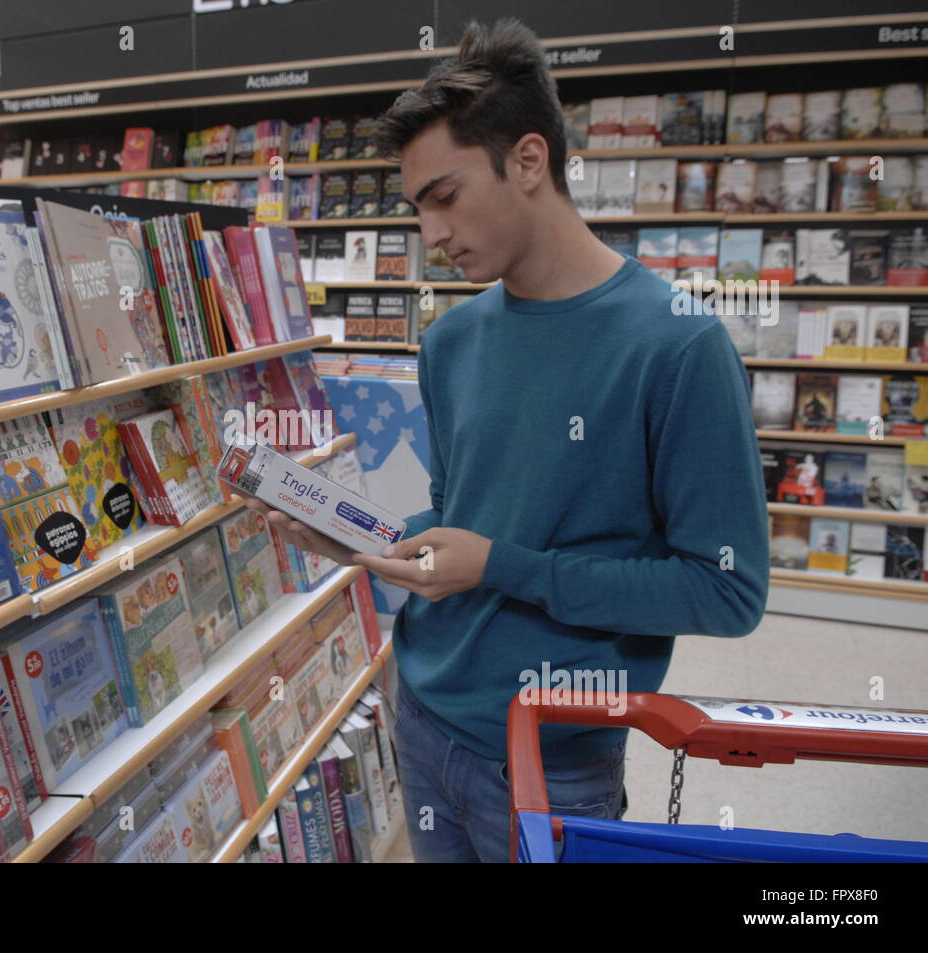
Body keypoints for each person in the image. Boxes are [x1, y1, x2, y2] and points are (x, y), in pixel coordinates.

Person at [239, 17, 768, 862]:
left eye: (444, 198)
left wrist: (504, 567)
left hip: (553, 753)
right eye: (416, 209)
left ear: (529, 161)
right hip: (422, 716)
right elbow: (463, 522)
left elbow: (726, 592)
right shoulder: (451, 342)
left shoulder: (678, 346)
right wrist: (356, 541)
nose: (432, 235)